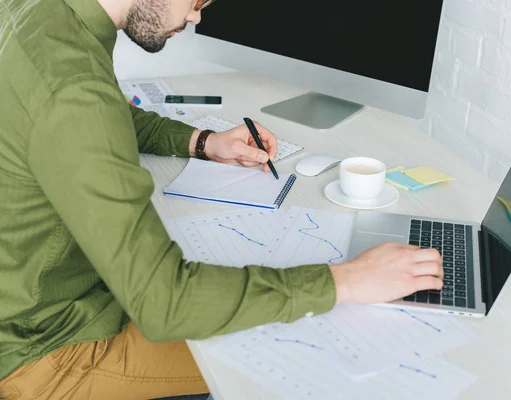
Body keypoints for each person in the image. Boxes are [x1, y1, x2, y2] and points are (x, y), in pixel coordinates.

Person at [0, 0, 444, 398]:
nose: (195, 17)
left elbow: (97, 113)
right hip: (46, 354)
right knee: (321, 343)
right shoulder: (74, 89)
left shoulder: (39, 15)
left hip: (50, 299)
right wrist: (346, 280)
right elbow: (165, 305)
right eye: (196, 0)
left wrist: (203, 141)